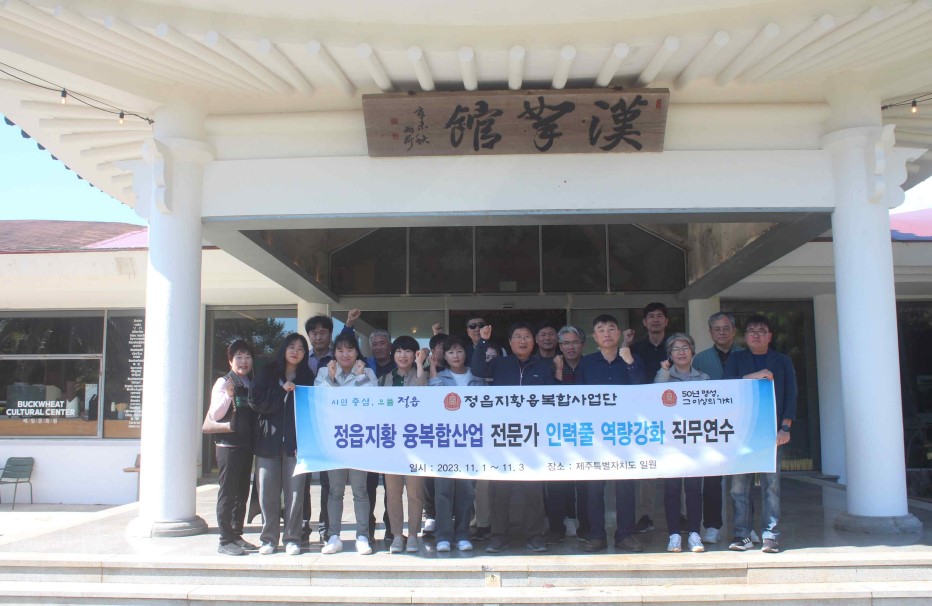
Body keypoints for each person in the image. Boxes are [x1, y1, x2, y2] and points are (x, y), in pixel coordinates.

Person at [471, 321, 554, 554]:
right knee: (499, 488)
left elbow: (552, 398)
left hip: (532, 434)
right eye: (517, 337)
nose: (522, 341)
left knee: (533, 489)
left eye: (527, 336)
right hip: (503, 434)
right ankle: (498, 536)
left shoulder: (544, 366)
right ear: (510, 342)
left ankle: (535, 536)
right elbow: (477, 369)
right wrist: (482, 341)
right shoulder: (500, 364)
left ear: (534, 341)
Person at [725, 315, 797, 554]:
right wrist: (753, 376)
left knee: (771, 487)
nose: (756, 334)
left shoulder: (782, 361)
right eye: (751, 330)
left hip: (772, 432)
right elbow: (726, 387)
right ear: (745, 337)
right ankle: (742, 534)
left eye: (761, 331)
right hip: (741, 433)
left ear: (770, 336)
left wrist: (785, 427)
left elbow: (791, 395)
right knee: (738, 488)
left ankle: (771, 535)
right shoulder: (736, 359)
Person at [573, 314, 644, 553]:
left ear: (619, 333)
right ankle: (596, 535)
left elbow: (643, 393)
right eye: (601, 330)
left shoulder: (633, 359)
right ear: (595, 337)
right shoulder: (587, 364)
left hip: (625, 433)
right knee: (594, 488)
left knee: (626, 487)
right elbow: (578, 398)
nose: (607, 333)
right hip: (595, 434)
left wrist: (630, 362)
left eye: (611, 328)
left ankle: (625, 535)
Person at [249, 333, 314, 556]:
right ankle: (268, 539)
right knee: (267, 493)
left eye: (301, 349)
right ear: (284, 349)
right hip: (268, 443)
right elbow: (256, 402)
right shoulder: (268, 372)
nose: (295, 351)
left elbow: (311, 412)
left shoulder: (307, 377)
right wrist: (281, 390)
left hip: (296, 446)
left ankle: (292, 538)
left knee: (295, 494)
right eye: (291, 347)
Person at [316, 332, 379, 555]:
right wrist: (332, 378)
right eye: (340, 350)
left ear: (356, 353)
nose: (345, 354)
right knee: (335, 490)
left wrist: (360, 377)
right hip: (335, 440)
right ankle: (333, 536)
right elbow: (321, 399)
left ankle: (363, 536)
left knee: (360, 490)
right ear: (334, 353)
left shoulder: (367, 372)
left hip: (360, 440)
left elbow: (372, 400)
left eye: (350, 350)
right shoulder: (324, 372)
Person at [303, 310, 359, 544]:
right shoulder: (302, 358)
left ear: (330, 335)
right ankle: (303, 526)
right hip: (308, 425)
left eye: (323, 333)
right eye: (314, 333)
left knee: (331, 484)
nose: (318, 337)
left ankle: (327, 529)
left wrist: (349, 324)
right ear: (309, 335)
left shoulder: (341, 362)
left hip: (338, 431)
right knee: (303, 481)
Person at [692, 311, 744, 545]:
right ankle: (712, 525)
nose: (721, 332)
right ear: (710, 332)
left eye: (726, 328)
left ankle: (745, 526)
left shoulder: (745, 355)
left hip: (740, 424)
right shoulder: (700, 359)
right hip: (710, 427)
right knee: (712, 480)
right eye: (716, 329)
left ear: (734, 330)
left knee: (742, 479)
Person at [429, 335, 484, 552]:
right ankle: (443, 535)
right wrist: (433, 367)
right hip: (445, 441)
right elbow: (434, 402)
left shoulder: (477, 378)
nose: (455, 356)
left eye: (459, 351)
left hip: (470, 442)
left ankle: (463, 534)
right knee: (443, 490)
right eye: (450, 352)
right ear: (445, 355)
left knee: (466, 491)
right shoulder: (441, 377)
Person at [655, 333, 709, 554]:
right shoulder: (665, 376)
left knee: (694, 489)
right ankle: (674, 535)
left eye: (685, 347)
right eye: (675, 349)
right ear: (670, 354)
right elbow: (654, 394)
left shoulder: (703, 378)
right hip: (671, 443)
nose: (681, 352)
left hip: (695, 441)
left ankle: (694, 533)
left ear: (692, 351)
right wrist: (664, 370)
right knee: (672, 490)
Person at [379, 336, 429, 554]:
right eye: (399, 351)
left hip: (415, 443)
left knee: (415, 493)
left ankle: (414, 536)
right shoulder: (384, 379)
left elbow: (423, 394)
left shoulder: (422, 376)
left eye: (408, 351)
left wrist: (420, 365)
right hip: (391, 444)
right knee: (393, 493)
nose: (403, 355)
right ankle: (398, 535)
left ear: (415, 354)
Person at [209, 340, 258, 556]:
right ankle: (224, 539)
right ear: (230, 361)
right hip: (228, 446)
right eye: (239, 357)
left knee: (241, 492)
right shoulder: (224, 382)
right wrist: (228, 395)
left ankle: (236, 534)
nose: (244, 361)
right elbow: (215, 414)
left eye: (247, 357)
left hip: (246, 445)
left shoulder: (250, 381)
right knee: (228, 492)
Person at [544, 326, 588, 543]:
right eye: (566, 343)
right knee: (557, 481)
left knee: (585, 482)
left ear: (583, 345)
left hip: (587, 431)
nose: (571, 347)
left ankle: (585, 526)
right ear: (560, 346)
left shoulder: (590, 365)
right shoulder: (550, 366)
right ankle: (556, 527)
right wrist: (558, 373)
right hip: (557, 432)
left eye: (575, 342)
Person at [630, 301, 670, 534]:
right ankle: (645, 516)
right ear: (645, 322)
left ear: (666, 321)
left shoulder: (675, 347)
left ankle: (680, 515)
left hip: (672, 413)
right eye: (651, 316)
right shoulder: (635, 349)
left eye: (659, 316)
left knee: (678, 464)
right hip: (644, 414)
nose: (655, 320)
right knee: (647, 468)